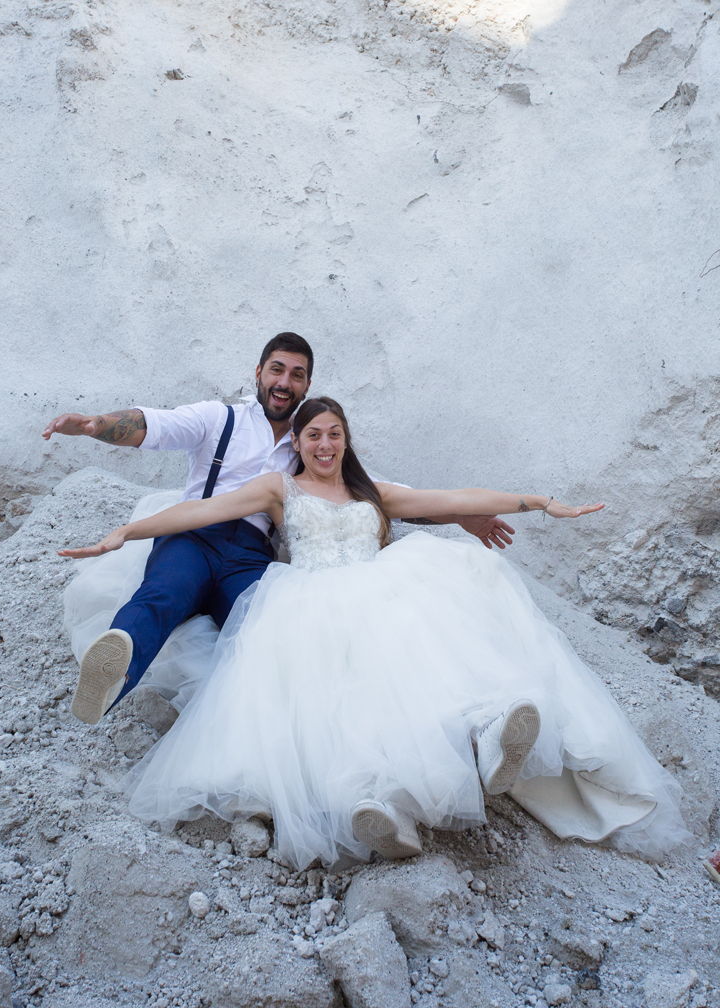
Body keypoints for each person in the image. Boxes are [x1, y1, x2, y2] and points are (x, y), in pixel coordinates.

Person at [59, 397, 688, 870]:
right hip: (308, 601)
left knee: (440, 630)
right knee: (344, 698)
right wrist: (128, 533)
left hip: (379, 590)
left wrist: (537, 501)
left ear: (346, 441)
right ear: (297, 445)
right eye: (314, 435)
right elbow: (203, 510)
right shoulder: (278, 488)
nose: (325, 444)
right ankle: (382, 808)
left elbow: (450, 497)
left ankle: (494, 737)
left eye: (335, 435)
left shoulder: (372, 492)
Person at [44, 333, 515, 723]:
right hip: (194, 536)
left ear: (307, 384)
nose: (284, 382)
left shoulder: (312, 439)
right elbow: (156, 425)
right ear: (258, 373)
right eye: (276, 369)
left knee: (267, 629)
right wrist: (96, 424)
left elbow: (372, 494)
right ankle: (111, 678)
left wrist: (461, 514)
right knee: (163, 595)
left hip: (251, 554)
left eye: (296, 374)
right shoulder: (219, 417)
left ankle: (287, 726)